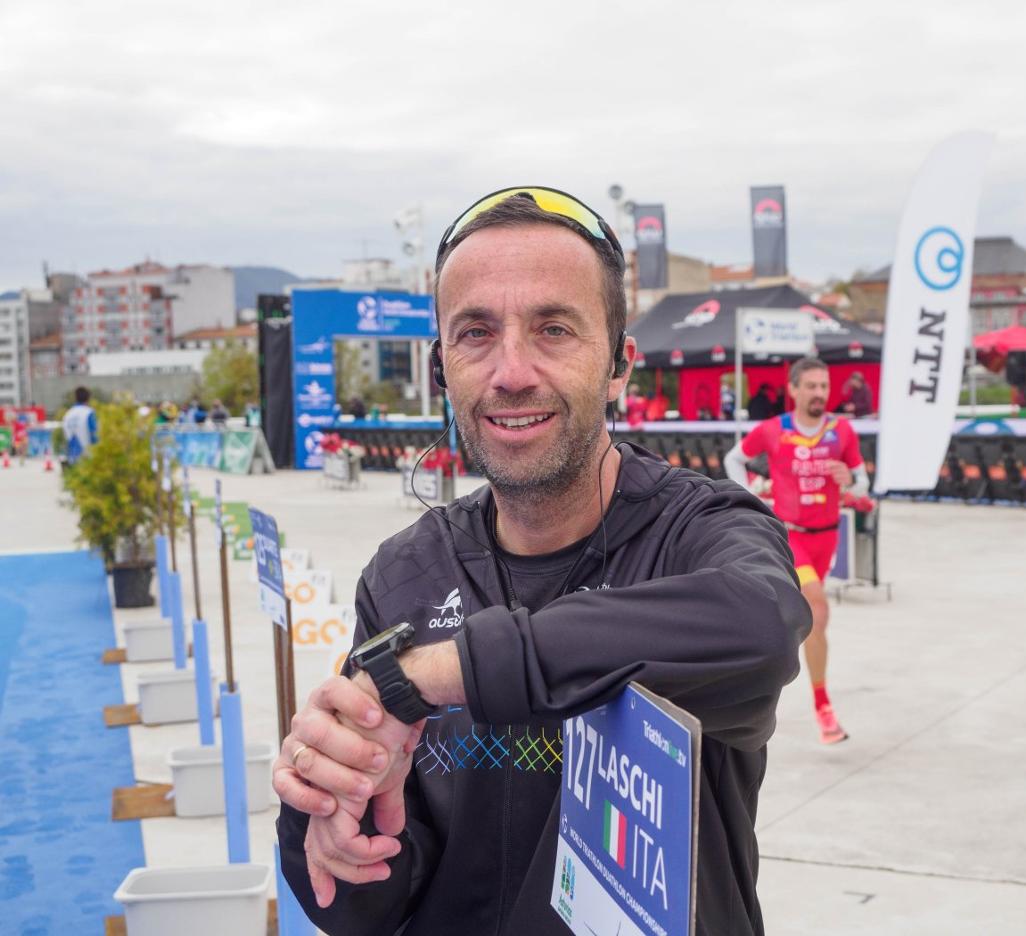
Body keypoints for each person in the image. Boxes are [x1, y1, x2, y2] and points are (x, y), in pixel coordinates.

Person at [272, 187, 809, 935]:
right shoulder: (405, 575)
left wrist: (436, 674)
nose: (512, 371)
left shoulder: (699, 533)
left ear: (620, 364)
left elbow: (764, 628)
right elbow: (364, 908)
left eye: (553, 329)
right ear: (442, 369)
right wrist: (329, 817)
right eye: (476, 333)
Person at [723, 357, 868, 745]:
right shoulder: (774, 430)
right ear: (794, 389)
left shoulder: (842, 431)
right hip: (790, 537)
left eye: (824, 386)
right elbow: (733, 458)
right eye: (812, 386)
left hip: (828, 536)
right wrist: (750, 493)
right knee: (817, 610)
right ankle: (824, 708)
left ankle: (763, 669)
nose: (820, 393)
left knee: (807, 621)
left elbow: (864, 483)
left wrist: (852, 480)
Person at [62, 386, 98, 467]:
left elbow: (66, 437)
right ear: (88, 398)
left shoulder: (68, 414)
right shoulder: (89, 413)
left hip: (72, 457)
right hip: (88, 457)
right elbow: (94, 435)